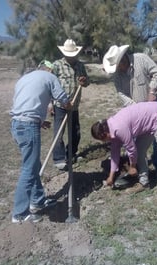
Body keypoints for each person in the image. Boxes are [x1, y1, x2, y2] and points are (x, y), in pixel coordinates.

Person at [9, 60, 72, 223]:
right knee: (29, 170)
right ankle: (19, 214)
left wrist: (39, 120)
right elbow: (62, 98)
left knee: (33, 165)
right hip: (28, 126)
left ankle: (38, 201)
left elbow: (24, 103)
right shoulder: (49, 77)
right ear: (50, 70)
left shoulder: (24, 78)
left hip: (17, 125)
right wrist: (69, 105)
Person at [91, 101, 157, 209]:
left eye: (101, 140)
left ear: (104, 134)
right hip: (149, 122)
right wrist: (111, 177)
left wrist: (133, 167)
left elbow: (131, 149)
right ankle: (144, 183)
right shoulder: (111, 130)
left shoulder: (118, 128)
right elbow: (115, 153)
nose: (103, 142)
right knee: (140, 151)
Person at [102, 44, 157, 172]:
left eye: (121, 63)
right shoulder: (117, 77)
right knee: (137, 144)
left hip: (153, 110)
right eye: (117, 66)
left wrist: (152, 91)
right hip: (136, 116)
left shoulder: (141, 59)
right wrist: (136, 110)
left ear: (124, 57)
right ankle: (141, 171)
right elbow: (122, 94)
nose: (120, 67)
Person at [52, 39, 90, 170]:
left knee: (75, 132)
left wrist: (84, 81)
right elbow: (50, 85)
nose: (72, 56)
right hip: (60, 105)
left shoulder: (80, 66)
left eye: (74, 54)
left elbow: (87, 82)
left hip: (74, 105)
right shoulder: (57, 65)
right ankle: (59, 158)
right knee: (59, 132)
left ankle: (71, 154)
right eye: (69, 54)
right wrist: (50, 104)